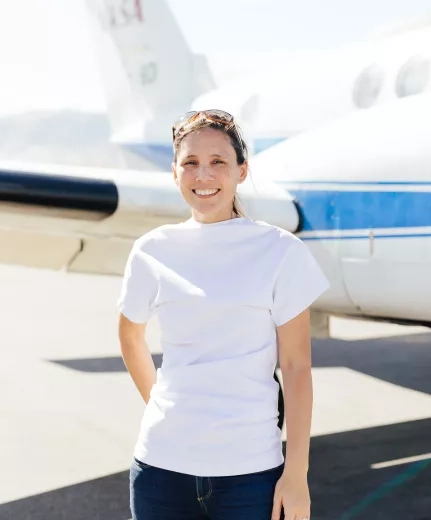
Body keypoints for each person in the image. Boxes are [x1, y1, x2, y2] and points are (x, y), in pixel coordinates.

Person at [117, 110, 329, 520]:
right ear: (175, 172)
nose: (204, 175)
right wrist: (159, 406)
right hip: (160, 470)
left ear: (242, 171)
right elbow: (130, 338)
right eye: (191, 163)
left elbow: (297, 367)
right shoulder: (151, 250)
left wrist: (297, 475)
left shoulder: (281, 251)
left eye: (218, 162)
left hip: (250, 474)